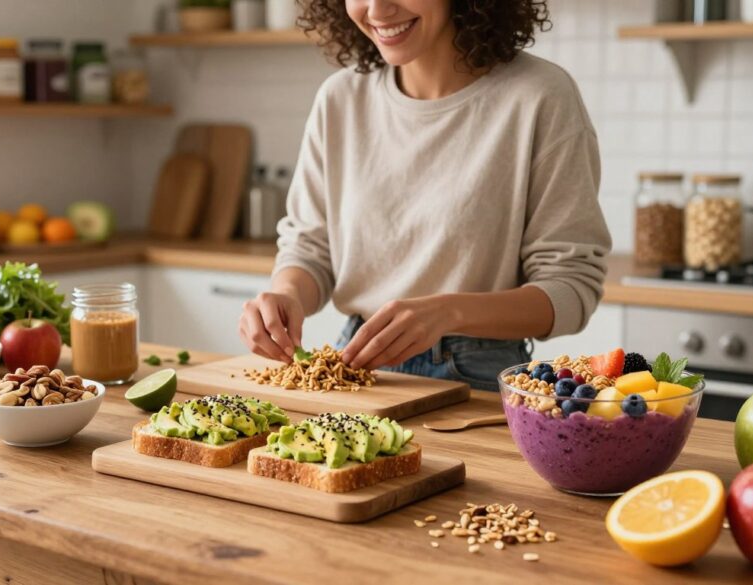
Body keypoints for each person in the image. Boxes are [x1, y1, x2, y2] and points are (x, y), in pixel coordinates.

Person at [238, 0, 612, 390]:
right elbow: (310, 249)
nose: (377, 9)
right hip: (355, 365)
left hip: (478, 375)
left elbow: (570, 288)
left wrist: (448, 313)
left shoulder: (540, 96)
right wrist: (287, 295)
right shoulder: (340, 98)